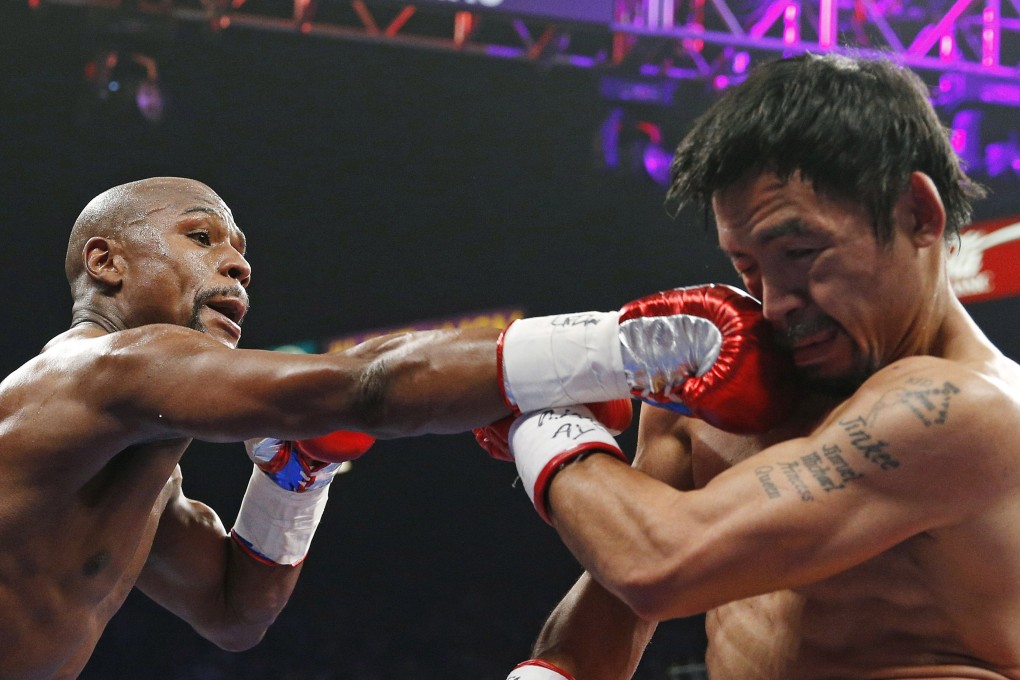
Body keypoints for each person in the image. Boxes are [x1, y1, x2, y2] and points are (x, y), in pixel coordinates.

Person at [3, 175, 795, 679]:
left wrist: (295, 476)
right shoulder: (101, 368)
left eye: (240, 250)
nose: (237, 265)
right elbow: (365, 387)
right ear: (106, 263)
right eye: (201, 237)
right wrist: (638, 348)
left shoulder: (134, 464)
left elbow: (233, 611)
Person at [481, 53, 1020, 679]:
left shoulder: (973, 409)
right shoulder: (707, 402)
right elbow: (612, 609)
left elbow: (656, 564)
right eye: (747, 267)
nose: (776, 302)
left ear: (917, 215)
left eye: (801, 252)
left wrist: (540, 420)